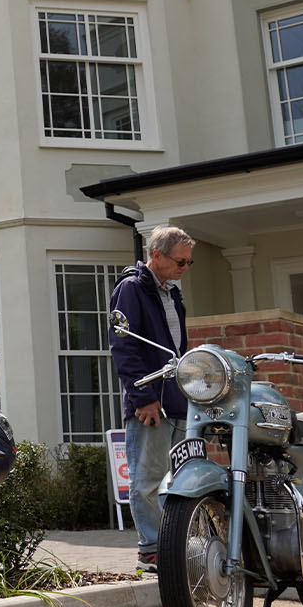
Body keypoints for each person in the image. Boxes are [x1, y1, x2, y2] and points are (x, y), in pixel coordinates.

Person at [109, 225, 195, 573]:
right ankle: (151, 550)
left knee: (179, 481)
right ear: (156, 255)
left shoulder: (173, 294)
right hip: (149, 405)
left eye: (190, 263)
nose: (184, 269)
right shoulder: (130, 289)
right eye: (180, 262)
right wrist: (143, 397)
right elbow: (123, 347)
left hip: (177, 401)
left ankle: (174, 547)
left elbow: (178, 351)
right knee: (148, 480)